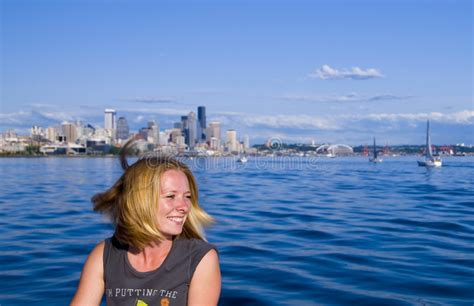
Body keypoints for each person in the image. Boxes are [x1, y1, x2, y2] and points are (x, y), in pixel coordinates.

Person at [71, 142, 221, 306]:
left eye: (187, 197)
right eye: (171, 196)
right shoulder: (104, 255)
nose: (185, 207)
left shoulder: (200, 259)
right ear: (141, 200)